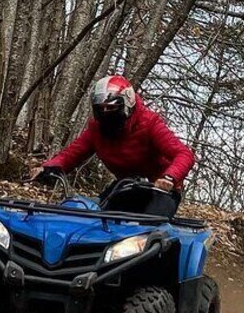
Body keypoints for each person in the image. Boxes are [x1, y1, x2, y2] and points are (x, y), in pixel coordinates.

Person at [30, 75, 194, 218]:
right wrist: (47, 168)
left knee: (149, 229)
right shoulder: (97, 129)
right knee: (91, 217)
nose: (106, 113)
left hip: (160, 191)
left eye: (112, 108)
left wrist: (169, 178)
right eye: (101, 109)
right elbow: (72, 154)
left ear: (126, 104)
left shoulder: (149, 123)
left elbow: (184, 154)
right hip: (125, 186)